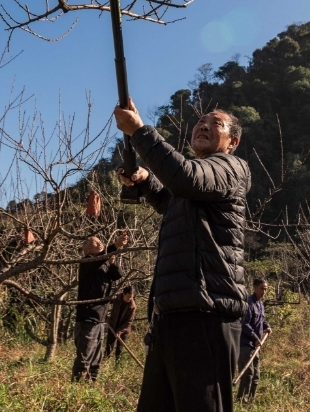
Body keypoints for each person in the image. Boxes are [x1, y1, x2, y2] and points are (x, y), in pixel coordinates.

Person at [114, 100, 250, 412]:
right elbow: (172, 198)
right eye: (200, 121)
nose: (203, 125)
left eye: (215, 124)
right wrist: (145, 181)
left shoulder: (230, 168)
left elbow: (184, 177)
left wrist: (139, 131)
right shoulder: (195, 185)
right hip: (172, 318)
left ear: (233, 142)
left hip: (206, 316)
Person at [73, 233, 127, 382]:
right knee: (84, 357)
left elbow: (118, 275)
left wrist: (112, 262)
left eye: (100, 242)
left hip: (100, 319)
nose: (100, 244)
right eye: (95, 243)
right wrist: (115, 246)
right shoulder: (86, 262)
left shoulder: (103, 264)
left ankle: (91, 385)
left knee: (96, 358)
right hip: (87, 317)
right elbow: (98, 260)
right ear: (87, 251)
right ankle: (76, 386)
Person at [236, 278, 272, 404]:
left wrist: (266, 326)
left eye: (266, 289)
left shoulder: (260, 304)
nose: (264, 291)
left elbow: (260, 321)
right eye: (262, 288)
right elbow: (244, 324)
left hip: (255, 346)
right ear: (255, 287)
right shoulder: (249, 303)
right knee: (248, 374)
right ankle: (241, 401)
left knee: (256, 375)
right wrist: (255, 338)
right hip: (246, 344)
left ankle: (251, 400)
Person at [104, 285, 137, 363]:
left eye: (131, 297)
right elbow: (107, 302)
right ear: (123, 294)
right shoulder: (116, 298)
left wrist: (119, 331)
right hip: (112, 325)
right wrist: (106, 317)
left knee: (119, 349)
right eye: (128, 297)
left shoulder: (132, 306)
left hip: (124, 329)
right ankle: (105, 363)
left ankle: (117, 364)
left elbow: (128, 322)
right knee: (109, 346)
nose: (129, 299)